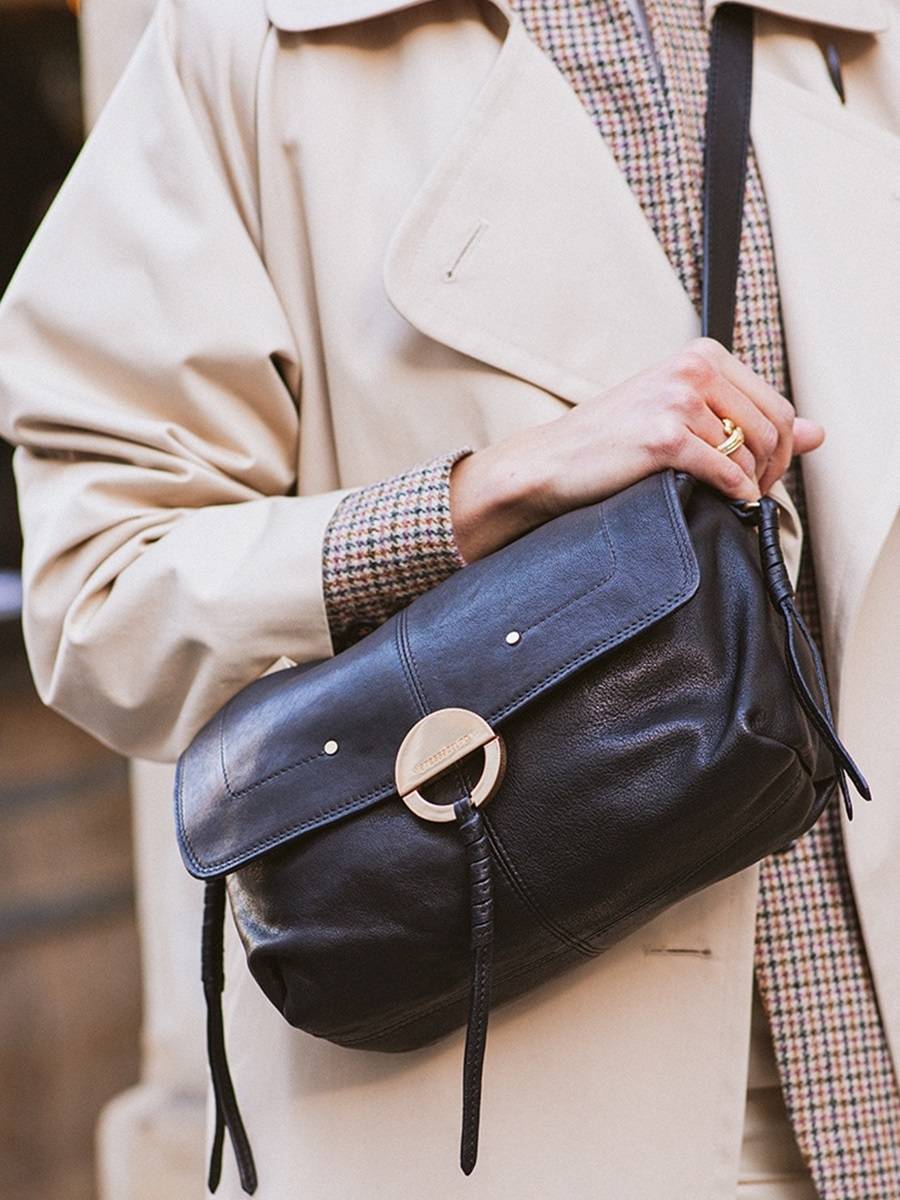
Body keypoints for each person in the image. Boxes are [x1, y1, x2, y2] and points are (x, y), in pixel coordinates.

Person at [0, 0, 898, 1196]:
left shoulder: (851, 31)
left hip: (869, 1104)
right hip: (506, 1115)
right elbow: (101, 593)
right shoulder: (253, 45)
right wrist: (474, 498)